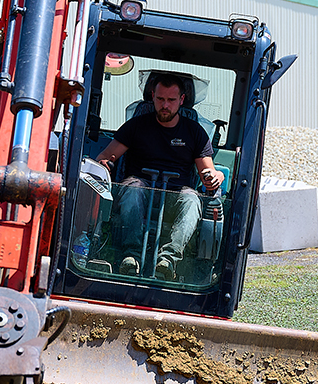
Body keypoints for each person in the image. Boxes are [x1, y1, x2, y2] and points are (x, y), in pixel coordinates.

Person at [96, 74, 225, 279]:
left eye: (171, 100)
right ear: (152, 96)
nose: (165, 105)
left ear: (182, 100)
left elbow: (207, 171)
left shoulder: (195, 133)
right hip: (141, 189)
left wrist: (215, 175)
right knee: (132, 189)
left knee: (192, 199)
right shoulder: (136, 126)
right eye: (160, 99)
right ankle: (131, 257)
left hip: (176, 195)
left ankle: (168, 260)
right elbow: (104, 158)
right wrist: (104, 164)